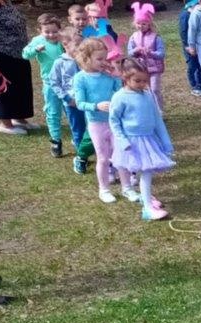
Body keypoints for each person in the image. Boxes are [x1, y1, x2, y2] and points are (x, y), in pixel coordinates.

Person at [110, 58, 173, 221]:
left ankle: (147, 198)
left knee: (145, 171)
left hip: (148, 139)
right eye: (137, 81)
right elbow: (114, 121)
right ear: (125, 77)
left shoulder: (148, 95)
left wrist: (166, 142)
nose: (142, 84)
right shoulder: (120, 97)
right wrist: (123, 141)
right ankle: (147, 209)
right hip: (132, 142)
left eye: (145, 80)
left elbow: (157, 119)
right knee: (146, 172)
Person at [73, 37, 134, 204]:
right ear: (86, 58)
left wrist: (116, 75)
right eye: (99, 59)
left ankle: (127, 188)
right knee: (103, 158)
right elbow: (80, 103)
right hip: (96, 124)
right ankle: (104, 190)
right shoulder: (80, 78)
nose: (104, 62)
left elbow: (120, 92)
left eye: (104, 58)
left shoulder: (108, 76)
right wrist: (96, 106)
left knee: (121, 154)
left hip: (114, 122)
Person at [0, 0, 38, 136]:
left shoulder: (6, 3)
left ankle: (20, 119)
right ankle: (6, 124)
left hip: (18, 53)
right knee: (3, 90)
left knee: (21, 87)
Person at [22, 13, 66, 157]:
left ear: (60, 29)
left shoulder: (64, 39)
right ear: (39, 30)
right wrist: (35, 50)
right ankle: (56, 141)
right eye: (47, 32)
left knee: (72, 110)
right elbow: (25, 54)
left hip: (68, 83)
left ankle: (78, 138)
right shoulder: (37, 41)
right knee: (53, 112)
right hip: (50, 83)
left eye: (55, 31)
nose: (51, 35)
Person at [50, 27, 91, 174]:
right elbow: (54, 83)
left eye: (82, 44)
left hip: (88, 101)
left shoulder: (85, 60)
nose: (81, 48)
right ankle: (82, 157)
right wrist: (67, 98)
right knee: (78, 129)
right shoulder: (59, 63)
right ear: (65, 44)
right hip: (72, 103)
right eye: (77, 45)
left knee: (91, 128)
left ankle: (90, 149)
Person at [127, 2, 165, 109]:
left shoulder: (156, 37)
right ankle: (147, 109)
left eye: (144, 23)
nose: (141, 26)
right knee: (143, 90)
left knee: (154, 89)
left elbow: (161, 54)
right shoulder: (133, 37)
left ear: (149, 24)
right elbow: (129, 52)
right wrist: (136, 51)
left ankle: (159, 110)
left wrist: (150, 53)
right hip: (140, 68)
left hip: (154, 68)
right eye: (138, 23)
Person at [179, 0, 201, 97]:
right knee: (192, 65)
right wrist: (187, 46)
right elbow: (183, 31)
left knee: (200, 65)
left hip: (199, 44)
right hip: (189, 46)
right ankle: (194, 85)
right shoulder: (185, 15)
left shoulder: (197, 14)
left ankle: (200, 83)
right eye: (197, 4)